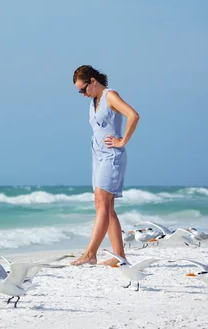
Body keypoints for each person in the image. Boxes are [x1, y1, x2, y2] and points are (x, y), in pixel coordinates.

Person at [71, 65, 139, 266]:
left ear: (93, 81)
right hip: (97, 156)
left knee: (103, 202)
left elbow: (133, 115)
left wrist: (122, 140)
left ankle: (91, 254)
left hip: (111, 155)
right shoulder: (94, 101)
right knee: (104, 206)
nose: (82, 94)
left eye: (83, 89)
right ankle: (120, 257)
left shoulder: (110, 95)